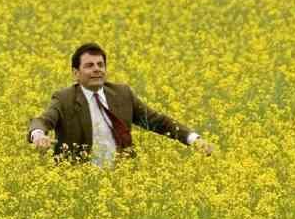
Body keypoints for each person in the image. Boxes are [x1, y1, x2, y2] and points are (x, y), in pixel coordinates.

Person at [28, 43, 214, 166]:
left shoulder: (122, 94)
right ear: (76, 73)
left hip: (121, 180)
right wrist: (38, 135)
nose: (97, 70)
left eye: (100, 65)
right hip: (78, 181)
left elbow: (159, 122)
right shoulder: (64, 98)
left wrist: (193, 139)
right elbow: (44, 120)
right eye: (89, 65)